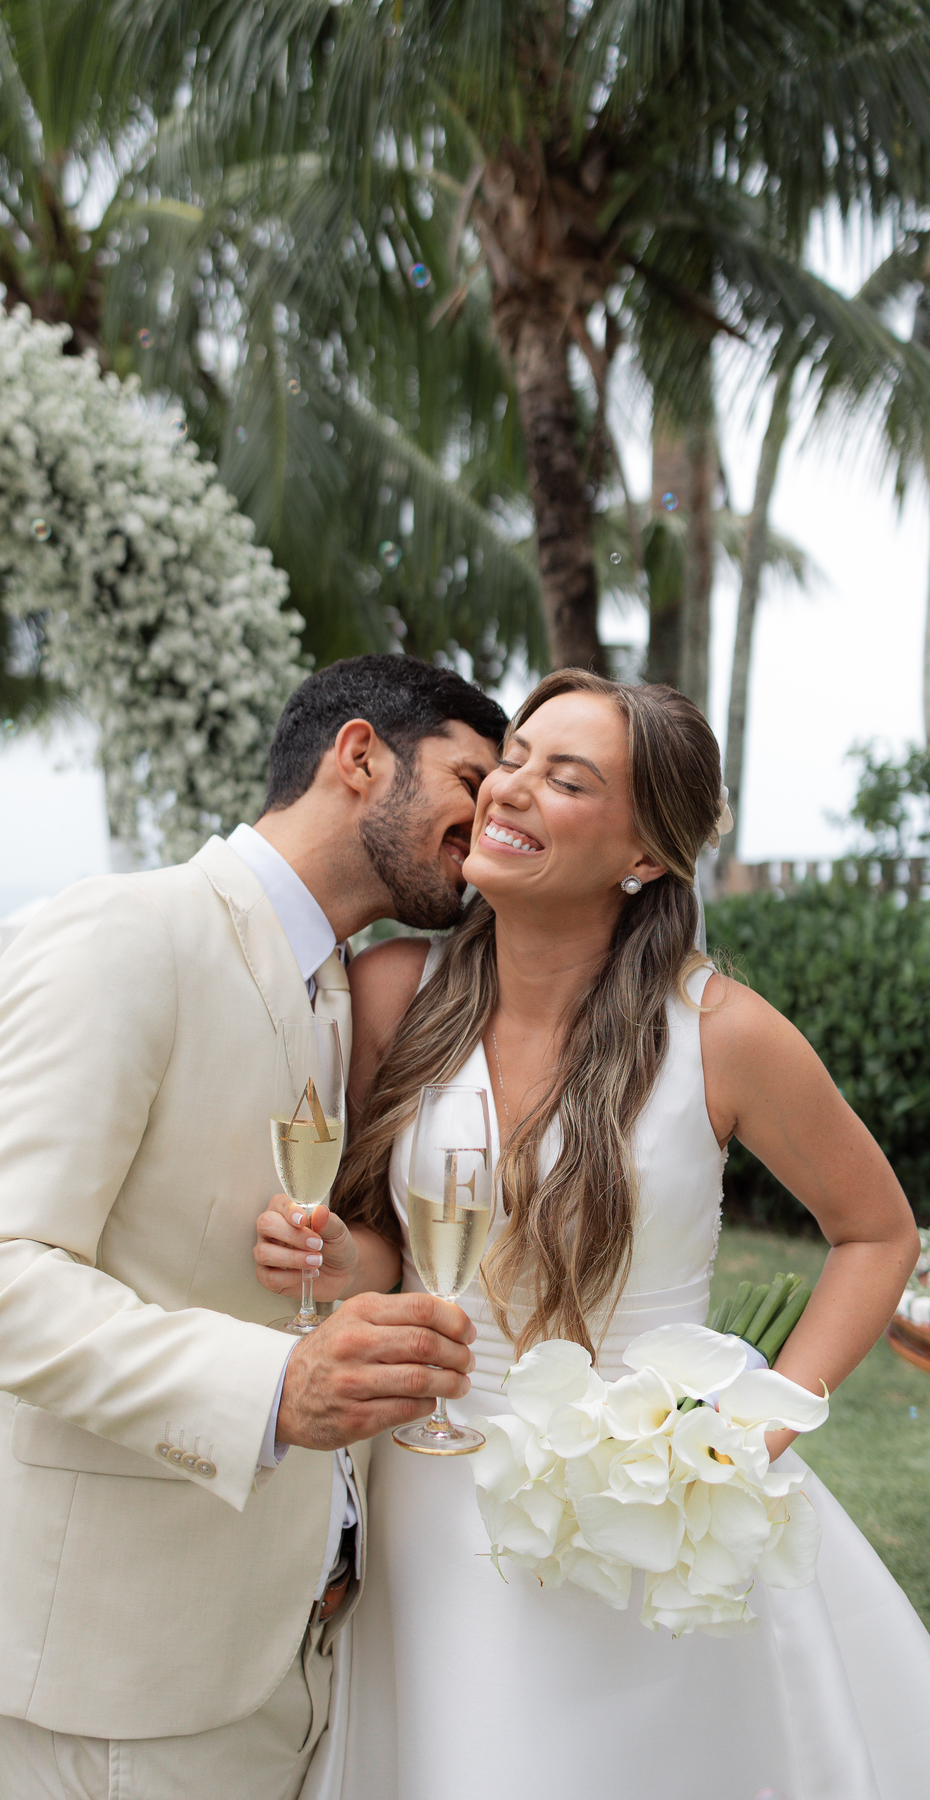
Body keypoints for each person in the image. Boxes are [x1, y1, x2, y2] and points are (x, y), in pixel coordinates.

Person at [255, 669, 930, 1800]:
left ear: (645, 855)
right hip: (436, 1498)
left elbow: (878, 1234)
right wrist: (332, 1260)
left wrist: (751, 1435)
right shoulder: (394, 992)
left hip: (653, 1519)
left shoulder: (721, 1033)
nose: (510, 790)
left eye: (565, 780)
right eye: (513, 760)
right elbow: (389, 1250)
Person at [0, 653, 509, 1800]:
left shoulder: (343, 987)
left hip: (286, 1638)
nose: (491, 816)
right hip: (123, 1662)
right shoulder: (125, 931)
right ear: (360, 757)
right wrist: (273, 1388)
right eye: (472, 778)